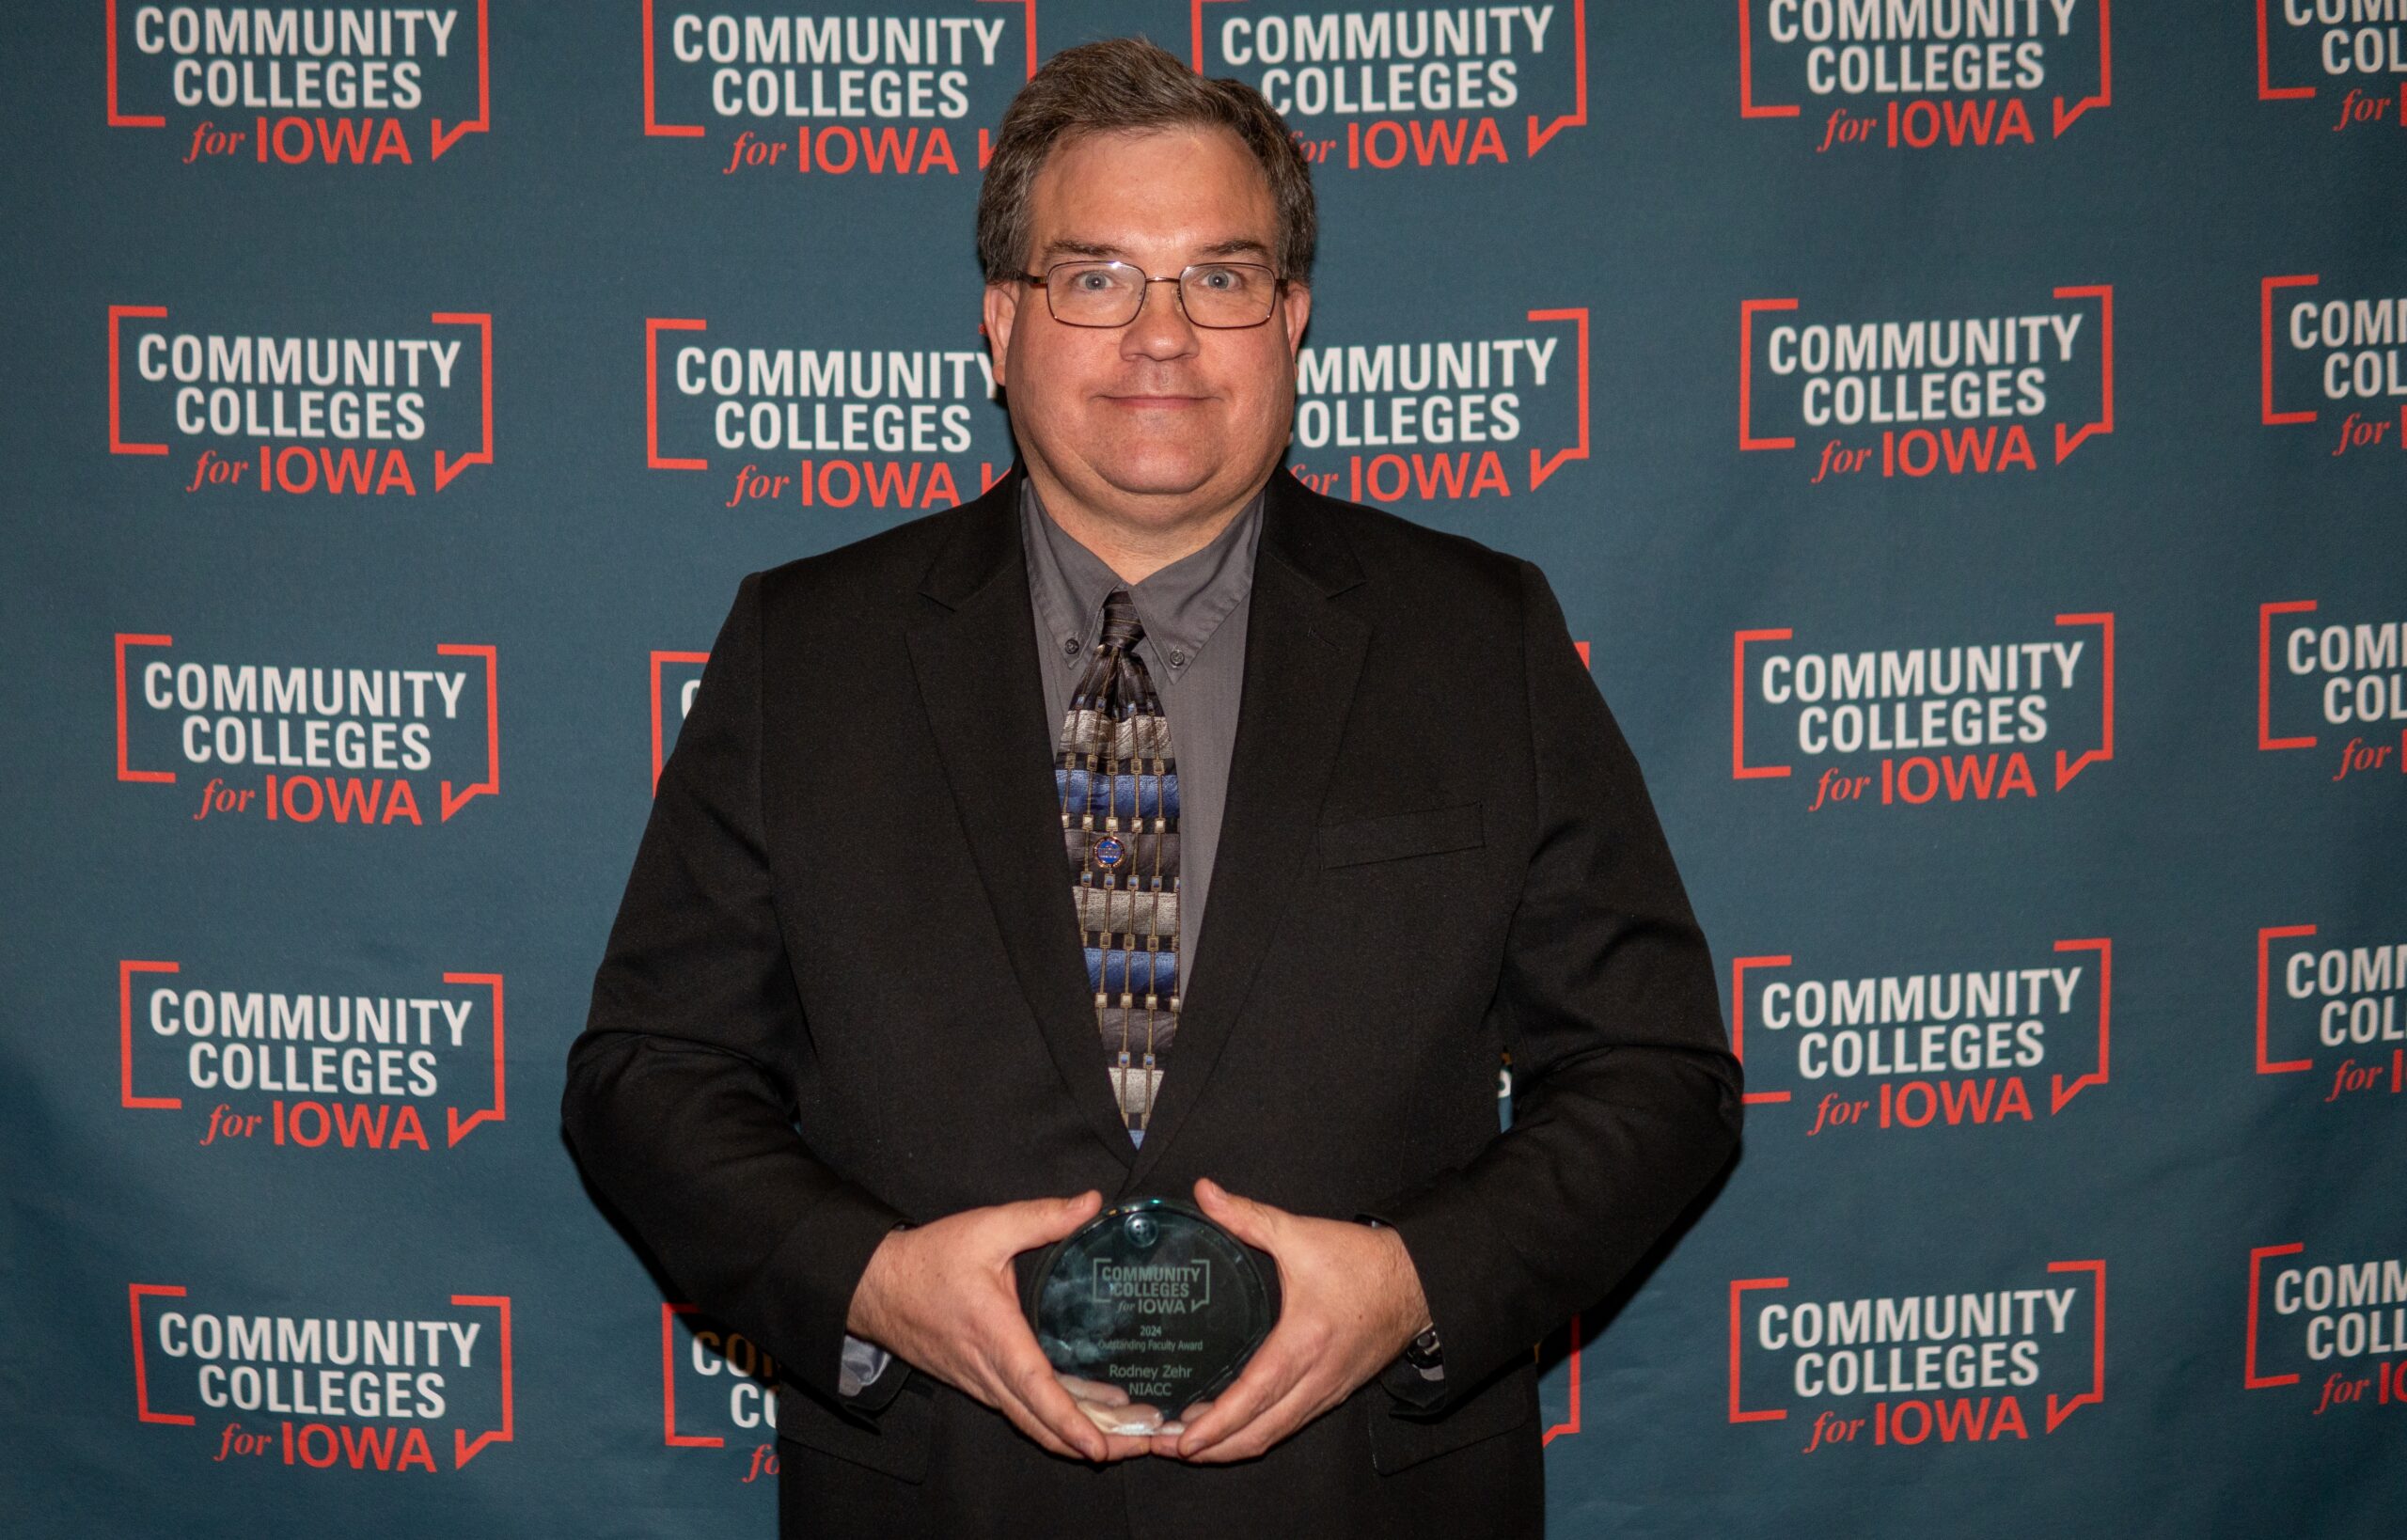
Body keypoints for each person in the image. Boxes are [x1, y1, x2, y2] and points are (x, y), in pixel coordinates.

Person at [563, 37, 1740, 1540]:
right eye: (1097, 276)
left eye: (1223, 277)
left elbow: (1660, 1077)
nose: (1164, 334)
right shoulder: (807, 653)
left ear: (1293, 320)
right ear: (1002, 325)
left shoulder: (1479, 639)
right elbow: (647, 1078)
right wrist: (873, 1287)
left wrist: (1412, 1285)